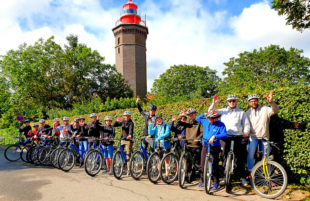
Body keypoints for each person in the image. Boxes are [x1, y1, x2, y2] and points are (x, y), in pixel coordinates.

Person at [209, 94, 250, 186]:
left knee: (240, 158)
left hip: (237, 136)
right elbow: (210, 113)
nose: (232, 102)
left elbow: (246, 124)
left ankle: (242, 177)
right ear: (227, 102)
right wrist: (213, 104)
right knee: (224, 156)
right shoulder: (223, 111)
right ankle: (225, 177)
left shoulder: (241, 112)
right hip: (225, 137)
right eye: (230, 101)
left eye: (233, 101)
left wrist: (246, 132)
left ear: (236, 101)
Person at [246, 91, 279, 178]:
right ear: (249, 102)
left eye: (255, 100)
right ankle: (250, 172)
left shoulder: (265, 109)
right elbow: (246, 126)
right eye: (251, 101)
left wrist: (271, 102)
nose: (253, 102)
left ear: (258, 101)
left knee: (266, 156)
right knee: (250, 154)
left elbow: (275, 110)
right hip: (253, 137)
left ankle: (267, 175)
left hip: (264, 137)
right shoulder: (247, 113)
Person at [196, 110, 227, 190]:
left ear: (216, 118)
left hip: (214, 146)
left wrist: (215, 137)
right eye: (209, 118)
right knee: (203, 164)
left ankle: (216, 182)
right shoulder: (206, 121)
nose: (210, 119)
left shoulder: (221, 124)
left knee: (214, 165)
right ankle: (204, 181)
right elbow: (197, 118)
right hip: (205, 145)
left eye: (212, 118)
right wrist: (204, 113)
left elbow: (224, 134)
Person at [177, 108, 203, 184]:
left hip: (196, 145)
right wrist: (181, 115)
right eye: (189, 115)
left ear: (195, 114)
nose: (190, 116)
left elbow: (202, 132)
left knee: (198, 164)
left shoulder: (199, 123)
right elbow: (179, 123)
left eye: (192, 114)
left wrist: (198, 138)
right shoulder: (188, 123)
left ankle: (202, 179)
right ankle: (189, 178)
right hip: (188, 145)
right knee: (188, 162)